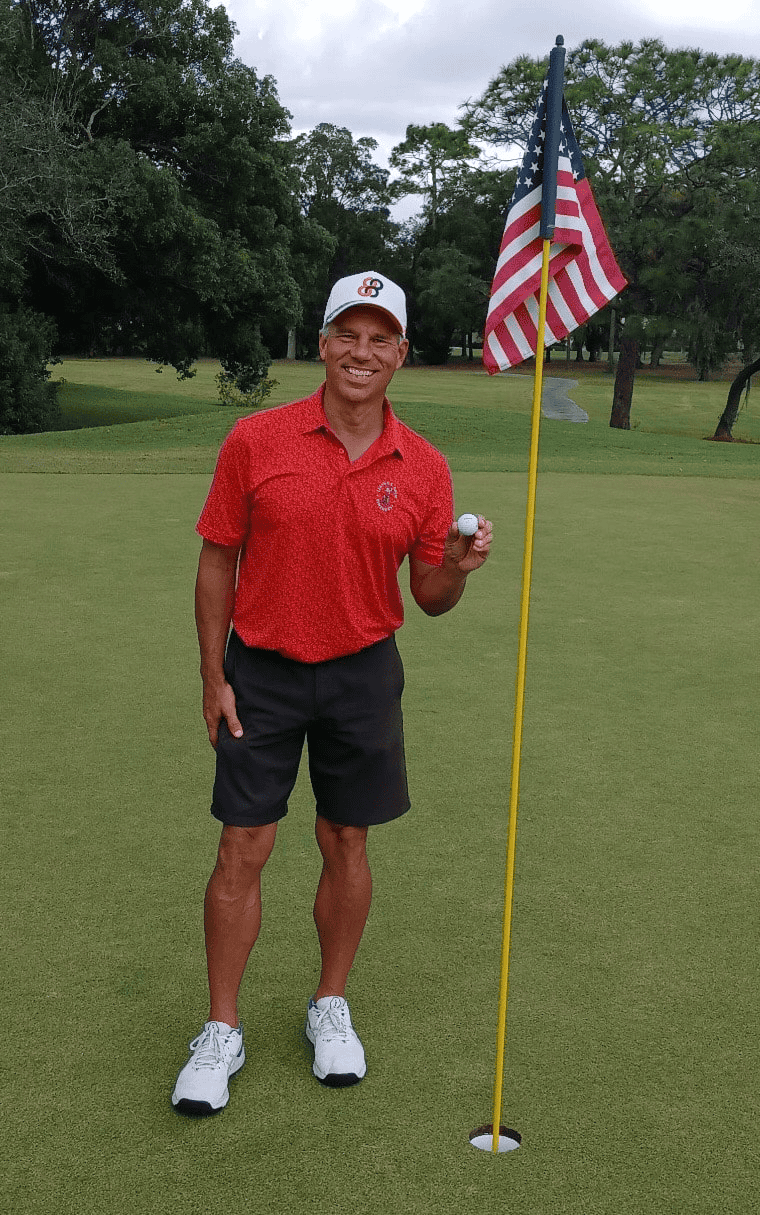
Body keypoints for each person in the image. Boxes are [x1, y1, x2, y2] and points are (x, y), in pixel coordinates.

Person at [172, 271, 494, 1114]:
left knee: (348, 838)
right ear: (321, 344)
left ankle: (330, 1004)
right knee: (242, 846)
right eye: (347, 334)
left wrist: (455, 570)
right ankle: (221, 1029)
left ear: (401, 354)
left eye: (380, 337)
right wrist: (213, 674)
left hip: (361, 670)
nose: (362, 351)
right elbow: (217, 556)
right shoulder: (256, 438)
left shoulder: (422, 464)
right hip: (263, 669)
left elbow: (427, 596)